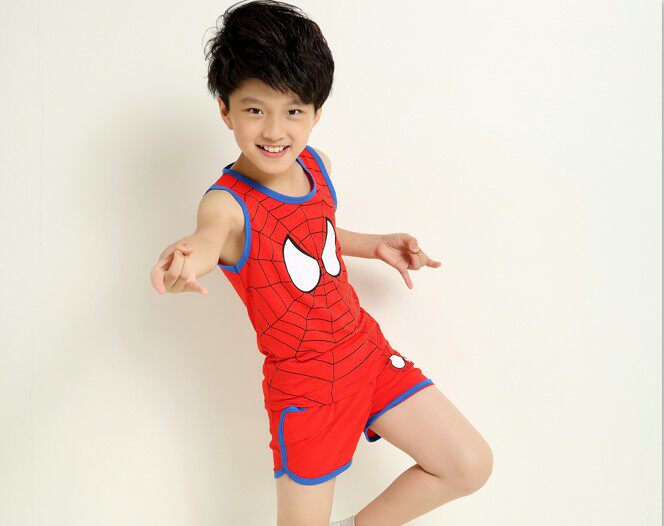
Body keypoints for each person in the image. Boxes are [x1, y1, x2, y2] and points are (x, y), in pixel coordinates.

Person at [149, 1, 493, 524]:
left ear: (316, 112)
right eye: (255, 109)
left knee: (467, 464)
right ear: (225, 110)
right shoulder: (226, 205)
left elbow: (313, 238)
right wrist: (183, 261)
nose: (274, 131)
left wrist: (373, 244)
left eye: (293, 111)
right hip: (306, 390)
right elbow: (206, 240)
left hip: (366, 354)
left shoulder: (317, 164)